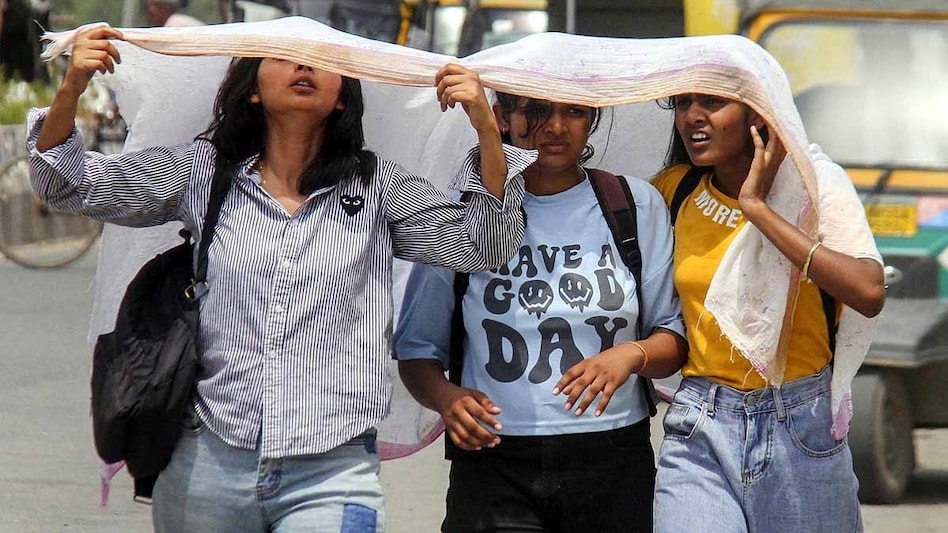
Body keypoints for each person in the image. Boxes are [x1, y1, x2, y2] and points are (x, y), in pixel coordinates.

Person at [28, 24, 531, 532]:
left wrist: (488, 130)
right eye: (285, 56)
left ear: (342, 97)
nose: (304, 65)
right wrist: (73, 88)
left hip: (333, 472)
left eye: (320, 59)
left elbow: (481, 246)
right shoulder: (202, 172)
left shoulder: (379, 186)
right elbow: (68, 185)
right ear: (251, 87)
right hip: (207, 463)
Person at [394, 92, 688, 532]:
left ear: (592, 119)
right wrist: (447, 399)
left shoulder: (633, 204)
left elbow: (673, 337)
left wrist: (628, 356)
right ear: (501, 118)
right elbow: (418, 350)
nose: (555, 127)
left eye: (574, 111)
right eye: (535, 111)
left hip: (613, 459)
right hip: (495, 463)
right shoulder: (461, 213)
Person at [650, 92, 886, 532]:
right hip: (700, 426)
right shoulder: (673, 190)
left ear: (757, 113)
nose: (693, 117)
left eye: (712, 103)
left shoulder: (816, 187)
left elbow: (868, 291)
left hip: (801, 426)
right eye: (682, 104)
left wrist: (755, 207)